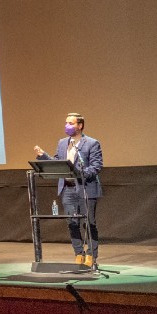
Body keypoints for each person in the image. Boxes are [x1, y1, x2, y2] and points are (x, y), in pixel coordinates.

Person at [34, 112, 103, 267]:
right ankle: (79, 253)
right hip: (67, 189)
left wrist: (81, 173)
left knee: (89, 222)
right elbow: (58, 162)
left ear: (80, 125)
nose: (67, 126)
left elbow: (96, 166)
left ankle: (92, 255)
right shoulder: (62, 143)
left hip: (86, 188)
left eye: (71, 123)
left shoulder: (91, 143)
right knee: (72, 222)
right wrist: (43, 156)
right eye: (66, 123)